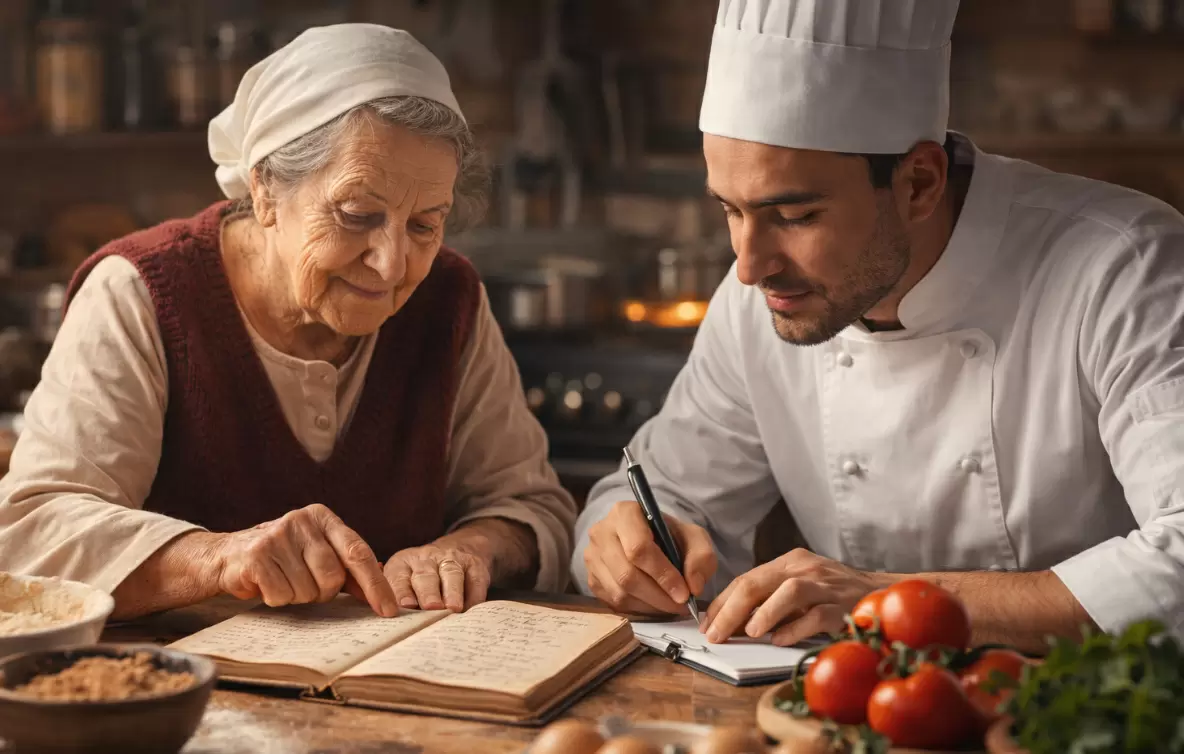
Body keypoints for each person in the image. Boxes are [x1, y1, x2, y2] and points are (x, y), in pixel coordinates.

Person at [574, 0, 1184, 653]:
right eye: (730, 210)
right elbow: (656, 492)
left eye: (796, 216)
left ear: (919, 182)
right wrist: (635, 544)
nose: (749, 267)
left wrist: (891, 602)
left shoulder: (1125, 266)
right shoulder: (760, 300)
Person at [0, 24, 577, 620]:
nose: (391, 263)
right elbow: (33, 531)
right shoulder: (140, 293)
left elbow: (532, 506)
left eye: (426, 224)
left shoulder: (448, 298)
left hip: (403, 693)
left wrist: (471, 549)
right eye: (357, 215)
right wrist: (219, 559)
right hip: (179, 695)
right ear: (267, 190)